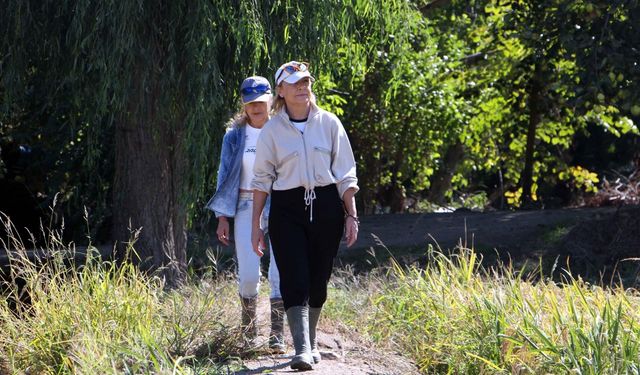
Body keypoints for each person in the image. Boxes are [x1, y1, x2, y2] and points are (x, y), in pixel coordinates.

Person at [251, 61, 359, 370]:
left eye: (307, 81)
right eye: (295, 82)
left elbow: (345, 174)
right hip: (287, 207)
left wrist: (351, 215)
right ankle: (300, 349)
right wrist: (257, 224)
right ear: (281, 91)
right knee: (293, 273)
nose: (303, 87)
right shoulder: (271, 130)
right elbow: (261, 180)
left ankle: (311, 341)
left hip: (326, 205)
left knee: (319, 277)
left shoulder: (329, 123)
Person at [206, 76, 285, 353]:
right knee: (249, 274)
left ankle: (277, 335)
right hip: (244, 204)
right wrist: (222, 217)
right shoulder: (234, 136)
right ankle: (249, 333)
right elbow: (224, 175)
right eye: (250, 103)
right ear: (244, 104)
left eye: (260, 102)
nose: (256, 107)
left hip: (280, 205)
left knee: (280, 270)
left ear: (269, 101)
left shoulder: (281, 129)